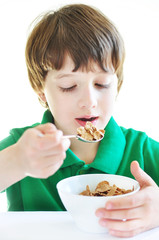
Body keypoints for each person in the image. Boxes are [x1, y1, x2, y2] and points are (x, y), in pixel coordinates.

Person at [0, 3, 159, 238]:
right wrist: (16, 161)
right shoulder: (23, 146)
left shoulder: (142, 149)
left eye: (101, 84)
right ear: (41, 91)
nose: (89, 101)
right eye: (69, 86)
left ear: (118, 85)